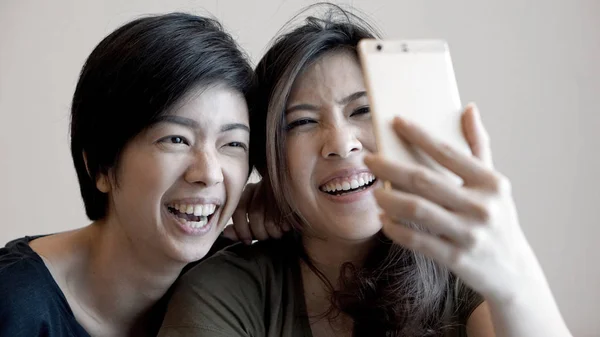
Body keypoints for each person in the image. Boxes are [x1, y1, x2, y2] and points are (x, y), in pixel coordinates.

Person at [158, 5, 573, 337]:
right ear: (269, 160)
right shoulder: (228, 292)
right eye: (302, 122)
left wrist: (514, 274)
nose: (341, 143)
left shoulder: (466, 274)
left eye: (363, 110)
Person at [0, 12, 255, 337]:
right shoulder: (14, 305)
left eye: (232, 143)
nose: (208, 173)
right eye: (176, 139)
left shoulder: (237, 283)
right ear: (101, 166)